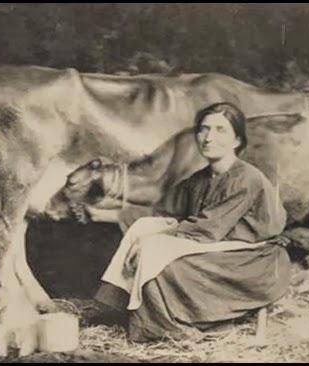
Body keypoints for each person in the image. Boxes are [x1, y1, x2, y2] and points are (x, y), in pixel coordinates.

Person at [93, 102, 292, 342]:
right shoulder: (200, 179)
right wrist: (114, 213)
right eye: (204, 129)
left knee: (154, 247)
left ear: (237, 141)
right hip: (217, 242)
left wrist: (152, 240)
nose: (208, 138)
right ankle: (120, 305)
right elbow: (162, 211)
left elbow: (209, 228)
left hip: (250, 257)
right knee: (143, 228)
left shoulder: (247, 178)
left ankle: (167, 326)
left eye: (220, 130)